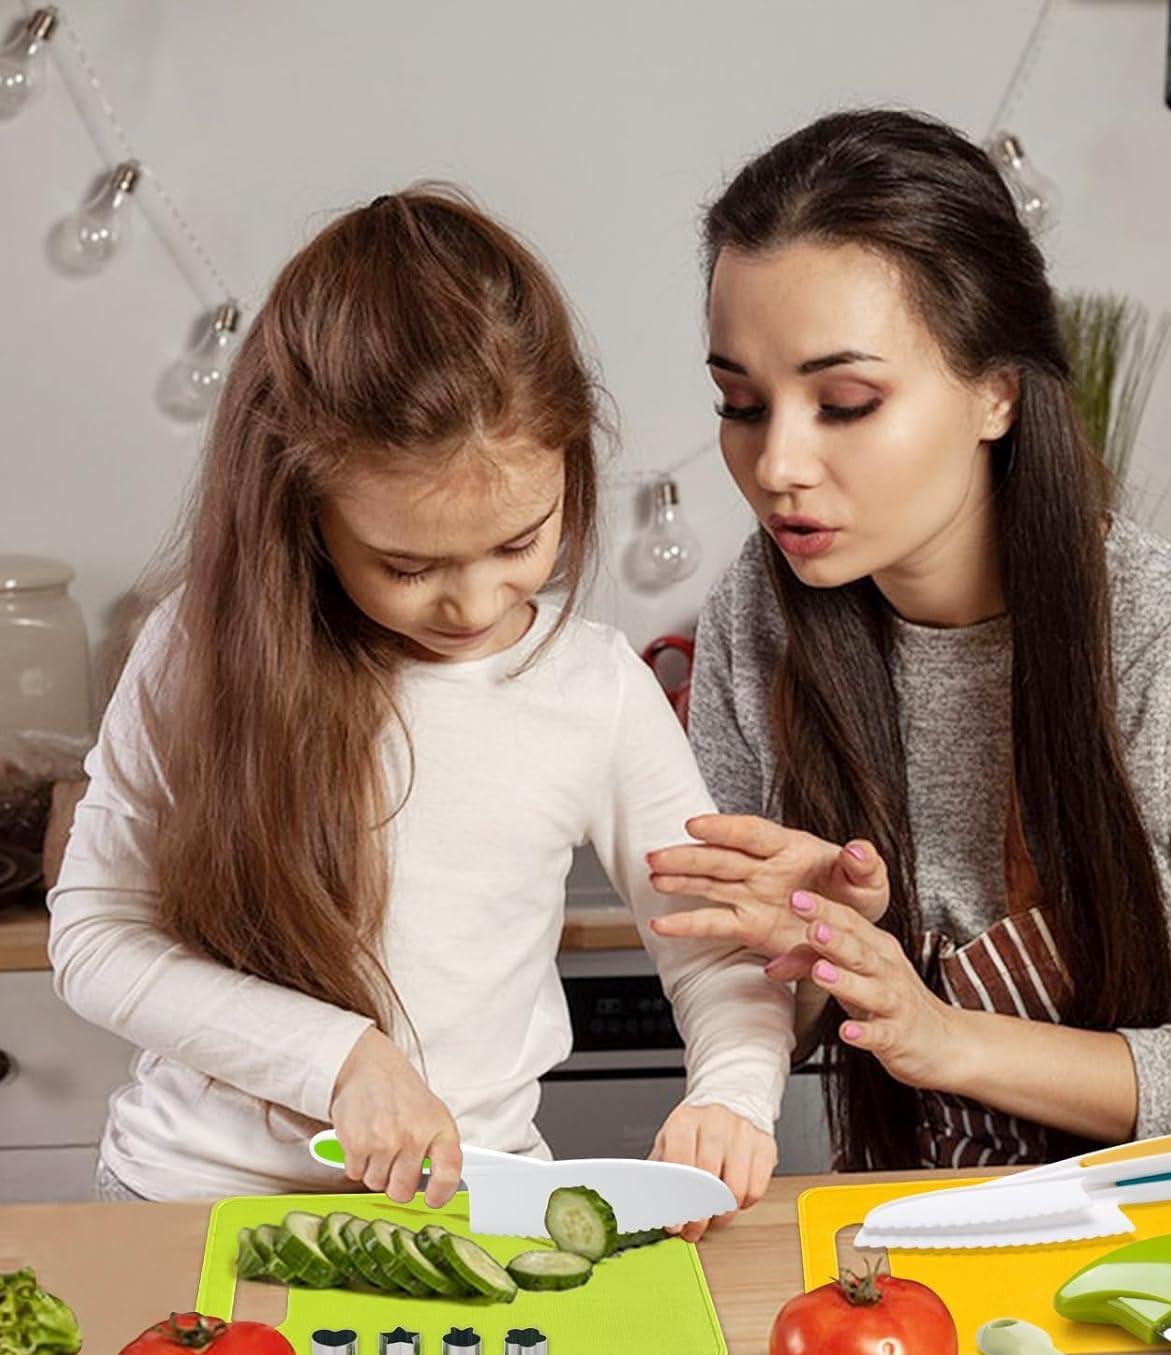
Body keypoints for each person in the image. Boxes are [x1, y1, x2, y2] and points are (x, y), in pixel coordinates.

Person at [49, 187, 790, 1231]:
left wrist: (729, 1096)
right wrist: (338, 1059)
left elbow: (719, 949)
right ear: (300, 509)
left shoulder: (596, 687)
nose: (478, 604)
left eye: (522, 542)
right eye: (406, 565)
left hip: (474, 1209)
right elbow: (95, 935)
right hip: (187, 1200)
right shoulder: (195, 649)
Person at [646, 110, 1171, 1172]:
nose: (777, 465)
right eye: (740, 403)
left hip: (1161, 1254)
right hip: (900, 1247)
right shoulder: (762, 614)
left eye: (845, 402)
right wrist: (810, 952)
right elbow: (766, 1000)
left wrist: (951, 1042)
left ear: (996, 390)